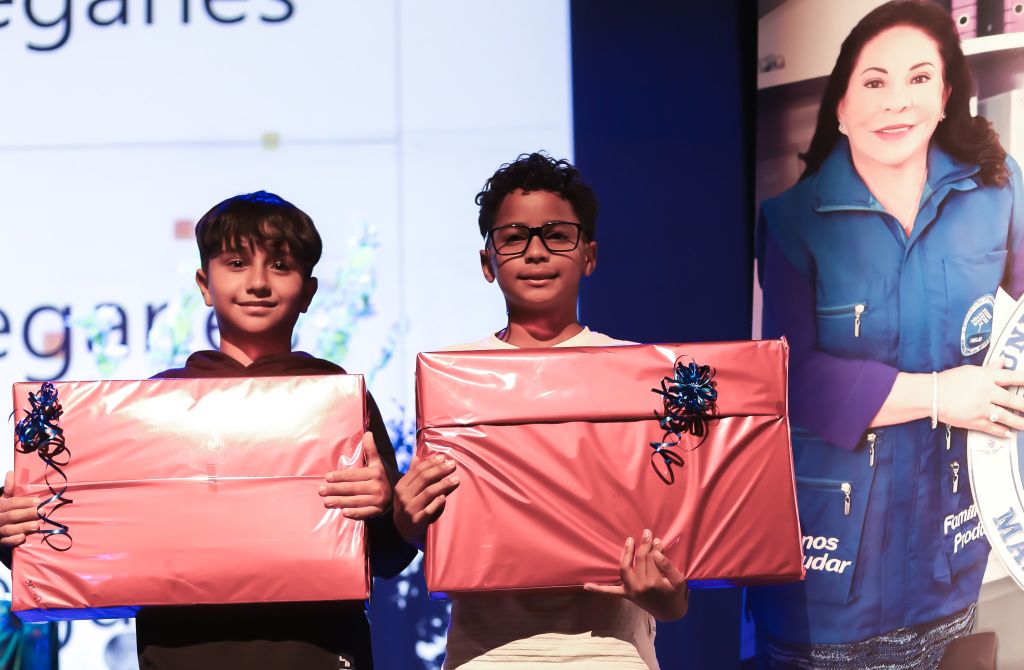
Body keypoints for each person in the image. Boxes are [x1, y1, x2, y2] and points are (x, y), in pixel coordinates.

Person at [0, 191, 416, 669]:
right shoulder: (152, 406)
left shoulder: (341, 400)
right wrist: (18, 531)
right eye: (236, 263)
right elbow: (84, 540)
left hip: (317, 652)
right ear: (204, 284)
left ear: (308, 292)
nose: (257, 283)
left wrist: (386, 507)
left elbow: (390, 557)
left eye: (281, 266)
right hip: (181, 654)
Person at [747, 2, 1024, 668]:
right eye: (875, 81)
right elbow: (792, 379)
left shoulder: (999, 192)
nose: (897, 100)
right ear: (841, 106)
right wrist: (938, 396)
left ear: (945, 95)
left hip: (950, 559)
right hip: (825, 589)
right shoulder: (791, 220)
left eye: (919, 78)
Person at [392, 153, 688, 669]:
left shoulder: (642, 372)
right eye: (514, 238)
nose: (536, 252)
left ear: (589, 255)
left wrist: (662, 594)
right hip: (485, 656)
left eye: (556, 235)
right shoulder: (454, 379)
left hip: (610, 654)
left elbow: (675, 581)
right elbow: (438, 527)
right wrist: (408, 519)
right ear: (488, 262)